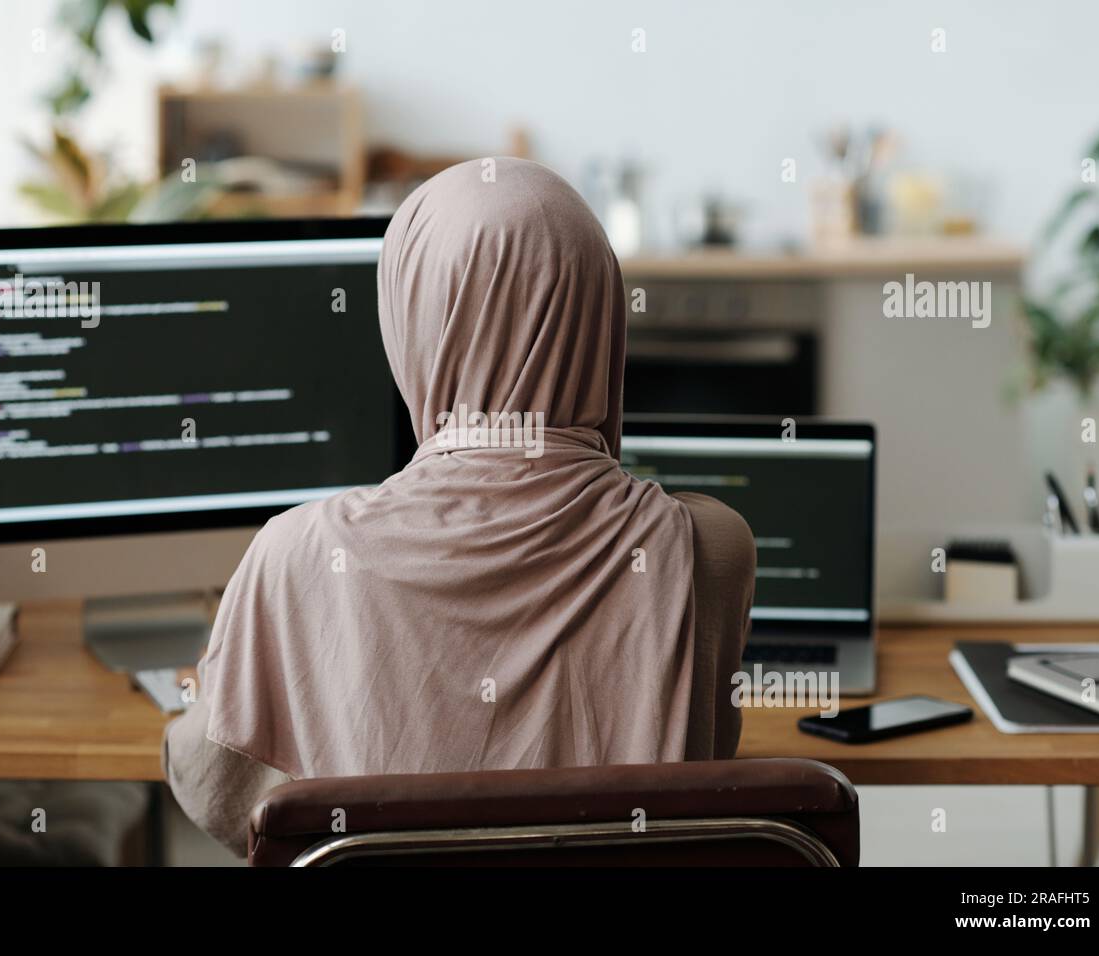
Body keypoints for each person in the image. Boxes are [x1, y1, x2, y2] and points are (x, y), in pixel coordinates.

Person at [163, 158, 755, 857]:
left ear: (414, 321)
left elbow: (220, 793)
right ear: (601, 313)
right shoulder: (710, 547)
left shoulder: (295, 554)